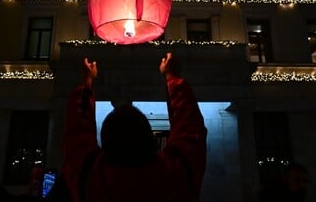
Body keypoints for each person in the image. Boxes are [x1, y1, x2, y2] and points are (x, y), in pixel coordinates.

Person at [61, 52, 207, 202]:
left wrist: (86, 82)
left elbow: (77, 133)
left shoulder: (90, 178)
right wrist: (173, 77)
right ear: (150, 140)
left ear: (105, 145)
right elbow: (190, 127)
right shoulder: (176, 175)